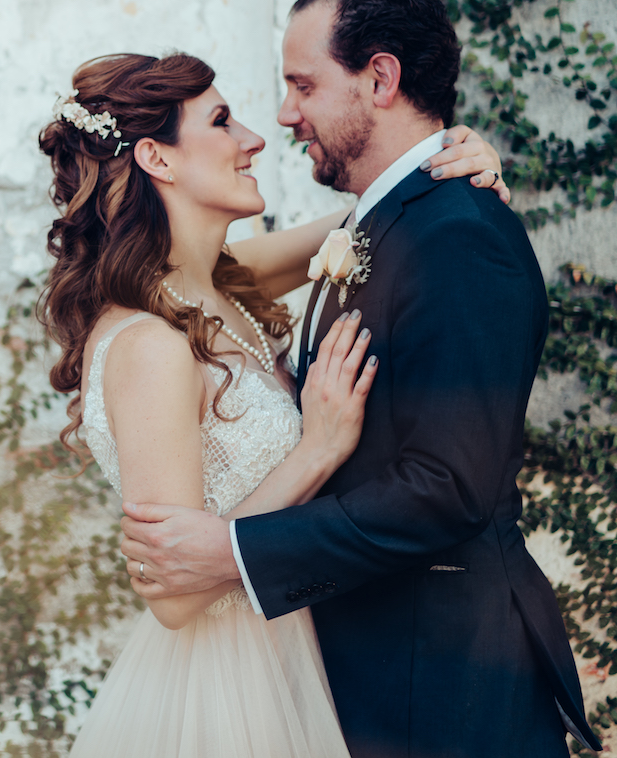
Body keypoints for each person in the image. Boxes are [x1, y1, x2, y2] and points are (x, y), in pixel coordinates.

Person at [116, 0, 601, 757]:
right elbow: (254, 263)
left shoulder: (460, 235)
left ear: (380, 78)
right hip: (347, 682)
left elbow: (450, 488)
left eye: (303, 85)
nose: (279, 117)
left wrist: (232, 552)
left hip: (441, 691)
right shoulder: (363, 235)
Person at [38, 45, 509, 758]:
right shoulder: (150, 344)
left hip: (302, 646)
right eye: (222, 121)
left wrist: (450, 157)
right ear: (157, 160)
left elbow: (371, 219)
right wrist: (317, 449)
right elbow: (173, 596)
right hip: (225, 690)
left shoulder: (221, 287)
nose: (254, 138)